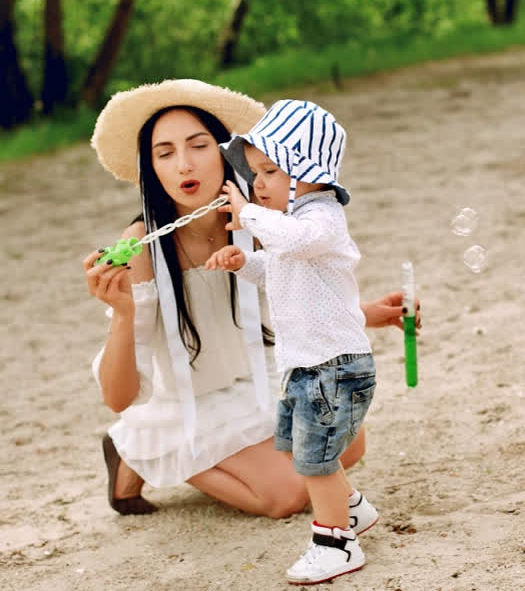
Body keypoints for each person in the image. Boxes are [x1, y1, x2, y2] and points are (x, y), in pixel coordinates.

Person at [83, 80, 419, 523]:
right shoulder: (142, 246)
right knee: (283, 497)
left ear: (227, 153)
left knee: (349, 445)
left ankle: (205, 456)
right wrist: (124, 314)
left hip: (253, 382)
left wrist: (374, 313)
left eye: (199, 145)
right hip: (189, 401)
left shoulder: (258, 220)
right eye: (165, 153)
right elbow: (118, 396)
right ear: (153, 170)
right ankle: (133, 449)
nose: (184, 164)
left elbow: (295, 302)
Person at [205, 99, 376, 584]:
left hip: (335, 365)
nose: (256, 183)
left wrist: (249, 217)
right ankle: (351, 509)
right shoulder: (289, 230)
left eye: (269, 171)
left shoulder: (320, 221)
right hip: (306, 365)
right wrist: (246, 263)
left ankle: (336, 544)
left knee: (316, 460)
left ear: (306, 173)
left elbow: (295, 243)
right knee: (296, 450)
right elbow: (281, 267)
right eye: (255, 172)